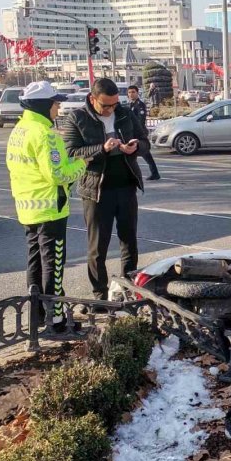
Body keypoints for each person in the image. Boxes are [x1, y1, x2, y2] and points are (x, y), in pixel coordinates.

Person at [61, 78, 150, 301]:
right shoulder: (78, 118)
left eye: (114, 104)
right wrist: (102, 149)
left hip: (126, 185)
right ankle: (99, 295)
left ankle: (128, 289)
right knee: (97, 248)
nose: (111, 109)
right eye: (105, 105)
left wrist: (136, 147)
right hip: (97, 191)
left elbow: (145, 140)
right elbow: (71, 152)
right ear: (93, 99)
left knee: (129, 240)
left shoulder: (124, 113)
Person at [6, 81, 85, 329]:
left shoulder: (19, 130)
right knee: (54, 264)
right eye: (55, 103)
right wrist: (82, 163)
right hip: (50, 208)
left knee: (35, 262)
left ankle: (37, 314)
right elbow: (58, 175)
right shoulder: (46, 135)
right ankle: (57, 319)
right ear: (44, 106)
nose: (58, 109)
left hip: (27, 207)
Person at [127, 85, 160, 181]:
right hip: (133, 133)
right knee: (135, 154)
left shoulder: (139, 105)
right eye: (129, 92)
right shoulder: (131, 105)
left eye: (133, 92)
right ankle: (153, 173)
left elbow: (140, 120)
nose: (131, 94)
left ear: (137, 93)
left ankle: (154, 173)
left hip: (139, 133)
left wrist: (138, 133)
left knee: (145, 153)